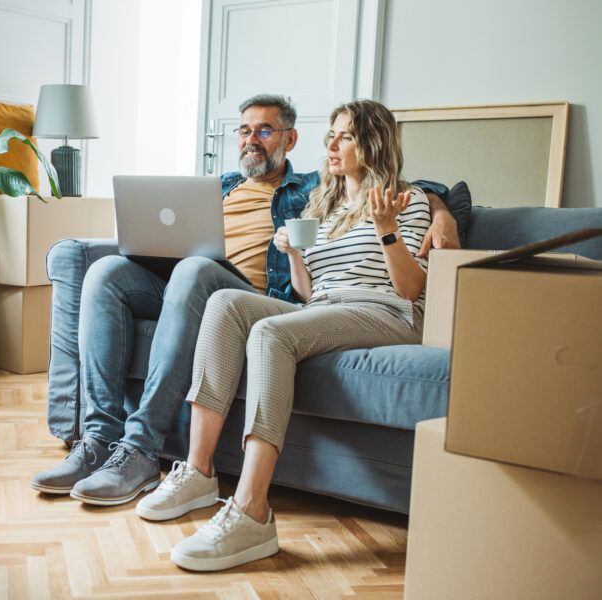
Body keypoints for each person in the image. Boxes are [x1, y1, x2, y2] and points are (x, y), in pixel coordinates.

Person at [31, 94, 458, 507]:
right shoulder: (248, 191)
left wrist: (440, 213)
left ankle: (149, 452)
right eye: (243, 130)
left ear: (290, 139)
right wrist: (293, 252)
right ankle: (99, 439)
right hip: (203, 289)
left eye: (265, 131)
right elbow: (312, 288)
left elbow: (424, 196)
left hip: (256, 290)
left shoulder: (309, 188)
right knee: (106, 271)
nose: (251, 140)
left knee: (197, 271)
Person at [135, 99, 431, 571]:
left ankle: (252, 510)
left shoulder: (406, 200)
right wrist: (294, 253)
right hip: (327, 305)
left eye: (346, 136)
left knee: (271, 334)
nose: (332, 145)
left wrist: (387, 230)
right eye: (332, 135)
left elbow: (410, 289)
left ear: (373, 144)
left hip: (385, 311)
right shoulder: (326, 204)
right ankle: (198, 470)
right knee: (225, 303)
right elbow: (309, 292)